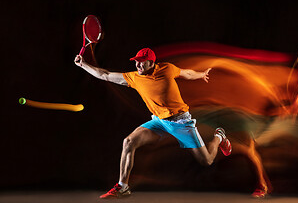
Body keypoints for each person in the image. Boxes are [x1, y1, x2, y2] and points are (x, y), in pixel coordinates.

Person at [74, 48, 232, 199]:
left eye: (142, 62)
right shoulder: (135, 77)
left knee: (207, 160)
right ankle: (123, 187)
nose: (138, 65)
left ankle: (219, 136)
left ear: (152, 62)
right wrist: (84, 64)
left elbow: (186, 73)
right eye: (136, 61)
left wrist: (201, 74)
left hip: (181, 122)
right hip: (159, 122)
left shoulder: (166, 69)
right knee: (128, 142)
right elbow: (106, 75)